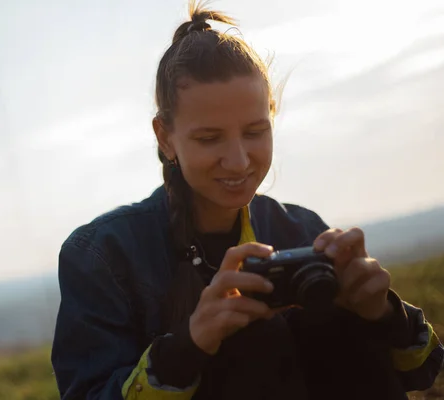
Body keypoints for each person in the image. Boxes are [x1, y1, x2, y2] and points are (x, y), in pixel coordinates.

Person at [51, 2, 444, 399]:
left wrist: (384, 312)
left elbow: (423, 371)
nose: (238, 160)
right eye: (209, 138)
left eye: (256, 131)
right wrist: (187, 346)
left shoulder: (303, 231)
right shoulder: (102, 256)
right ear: (164, 136)